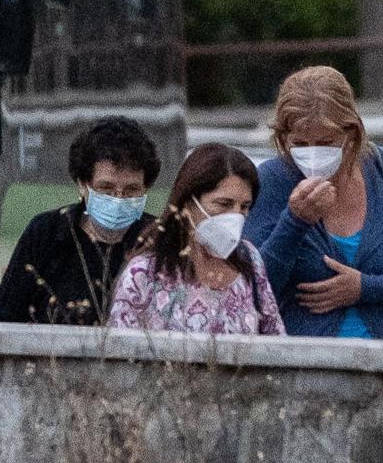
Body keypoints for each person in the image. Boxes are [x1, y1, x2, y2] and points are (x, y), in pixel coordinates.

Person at [242, 66, 383, 339]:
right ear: (283, 139)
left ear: (351, 133)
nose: (312, 153)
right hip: (305, 364)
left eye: (326, 142)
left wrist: (365, 288)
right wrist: (295, 222)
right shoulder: (272, 180)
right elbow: (252, 288)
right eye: (300, 144)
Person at [0, 117, 159, 325]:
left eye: (131, 190)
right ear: (82, 185)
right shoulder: (47, 233)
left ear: (145, 189)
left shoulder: (158, 239)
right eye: (106, 189)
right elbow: (3, 318)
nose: (119, 199)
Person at [107, 143, 283, 335]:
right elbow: (119, 352)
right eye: (223, 204)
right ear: (189, 203)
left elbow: (274, 339)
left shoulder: (248, 259)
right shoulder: (144, 274)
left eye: (244, 207)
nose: (235, 216)